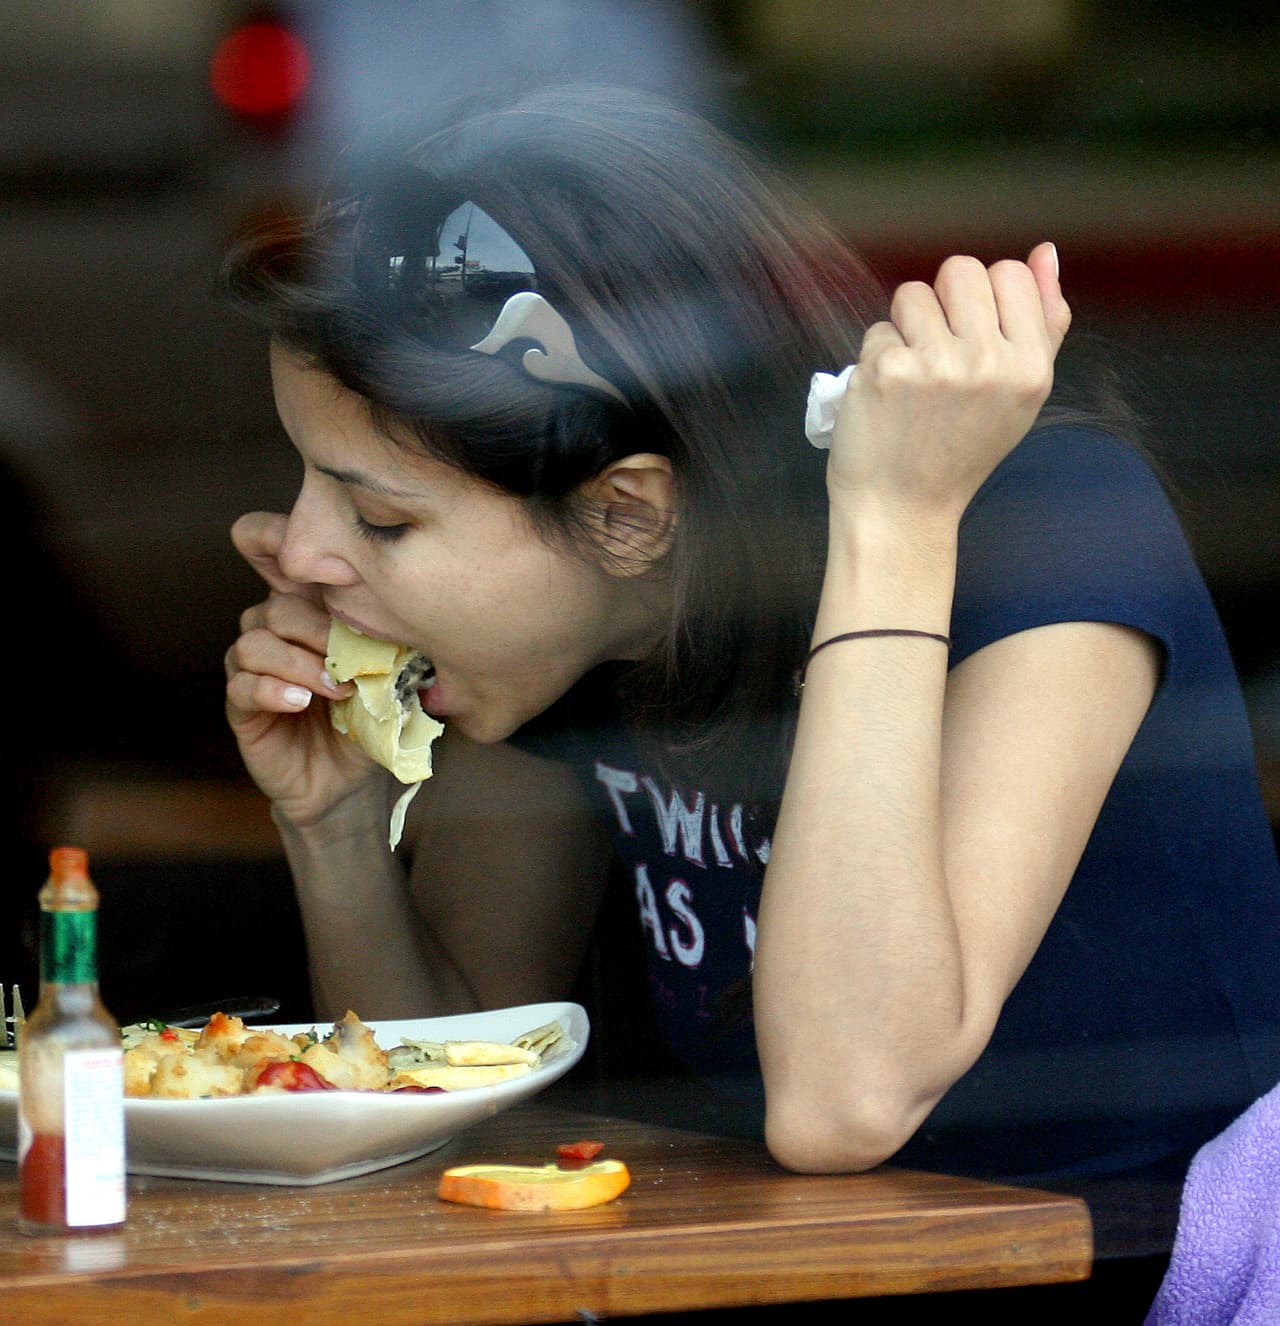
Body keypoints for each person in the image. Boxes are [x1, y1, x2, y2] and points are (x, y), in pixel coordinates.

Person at [221, 85, 1280, 1183]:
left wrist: (894, 523)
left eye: (381, 517)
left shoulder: (1046, 524)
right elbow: (450, 1082)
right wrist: (333, 824)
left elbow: (847, 1101)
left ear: (625, 514)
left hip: (1108, 1274)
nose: (293, 552)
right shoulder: (561, 648)